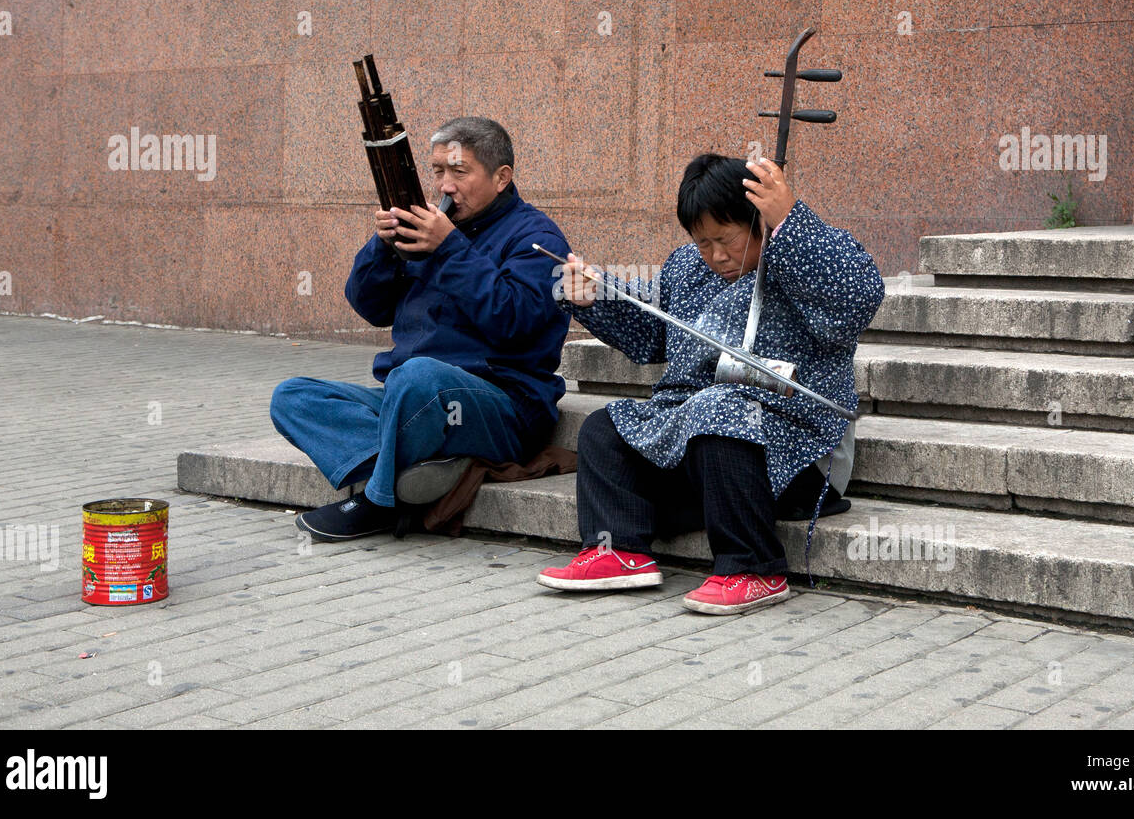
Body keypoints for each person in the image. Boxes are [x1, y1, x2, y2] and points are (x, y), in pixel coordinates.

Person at [537, 153, 884, 614]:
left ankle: (753, 568)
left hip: (801, 447)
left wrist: (790, 223)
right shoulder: (686, 266)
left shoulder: (807, 250)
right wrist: (595, 295)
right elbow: (652, 333)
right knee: (606, 427)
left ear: (759, 221)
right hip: (704, 438)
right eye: (704, 243)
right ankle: (617, 550)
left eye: (727, 239)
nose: (717, 256)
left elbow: (858, 298)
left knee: (718, 410)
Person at [271, 117, 571, 541]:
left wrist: (449, 248)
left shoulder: (537, 238)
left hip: (501, 404)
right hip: (411, 400)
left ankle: (379, 503)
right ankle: (423, 470)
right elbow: (370, 307)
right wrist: (384, 248)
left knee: (418, 377)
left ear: (501, 178)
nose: (445, 186)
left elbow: (513, 321)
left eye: (459, 172)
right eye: (437, 171)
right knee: (293, 397)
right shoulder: (432, 226)